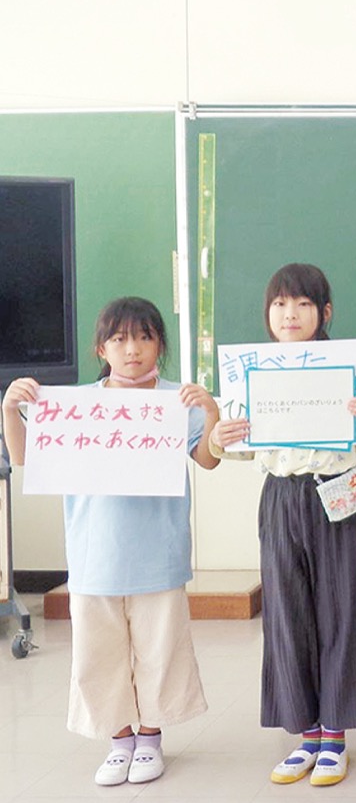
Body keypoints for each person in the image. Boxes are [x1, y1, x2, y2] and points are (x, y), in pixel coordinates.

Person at [1, 297, 221, 787]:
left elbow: (207, 460)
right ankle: (119, 741)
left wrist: (209, 412)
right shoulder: (74, 404)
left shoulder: (174, 401)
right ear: (102, 347)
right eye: (120, 339)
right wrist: (10, 408)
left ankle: (150, 737)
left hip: (158, 555)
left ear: (160, 344)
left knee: (159, 650)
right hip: (93, 556)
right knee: (99, 655)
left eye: (144, 337)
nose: (132, 349)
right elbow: (24, 459)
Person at [208, 264, 356, 787]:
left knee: (339, 611)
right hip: (281, 495)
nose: (290, 314)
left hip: (339, 491)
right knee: (286, 615)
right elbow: (234, 450)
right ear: (268, 314)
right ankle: (304, 733)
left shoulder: (348, 365)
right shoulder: (249, 371)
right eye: (280, 305)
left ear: (325, 313)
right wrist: (222, 436)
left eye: (304, 305)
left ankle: (335, 733)